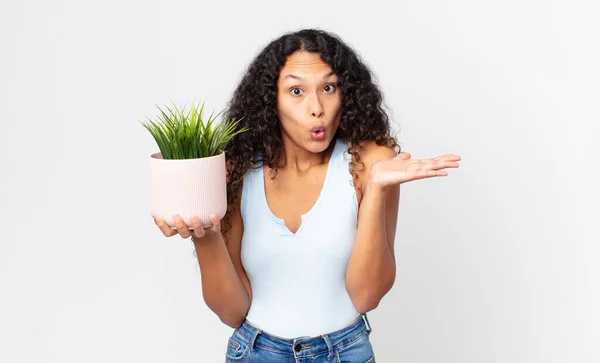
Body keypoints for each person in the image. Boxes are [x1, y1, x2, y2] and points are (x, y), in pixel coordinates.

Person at [152, 28, 461, 363]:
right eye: (296, 91)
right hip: (256, 353)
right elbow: (231, 312)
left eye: (328, 88)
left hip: (345, 353)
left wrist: (375, 189)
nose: (317, 108)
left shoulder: (371, 162)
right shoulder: (239, 169)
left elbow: (367, 296)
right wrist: (206, 235)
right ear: (272, 100)